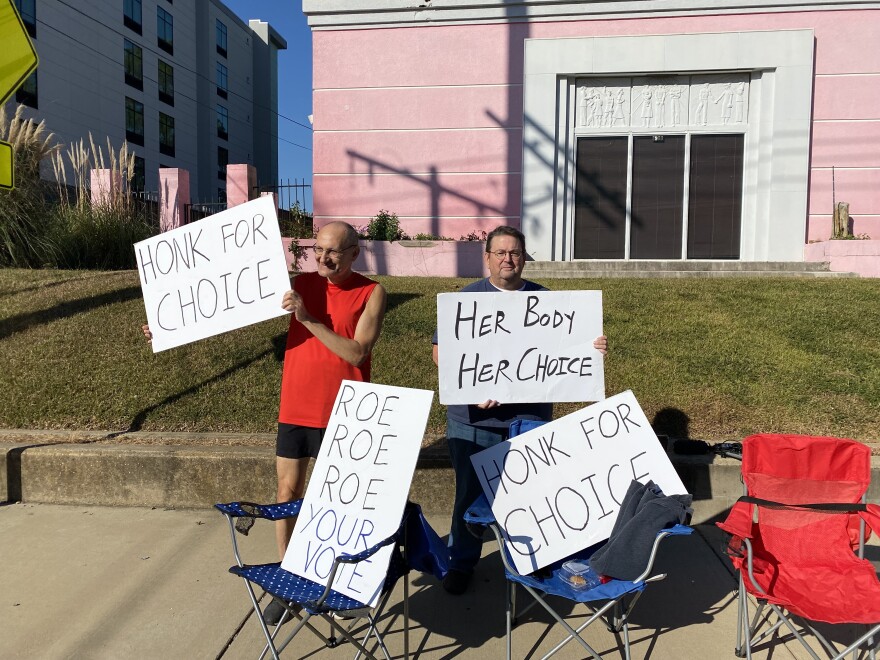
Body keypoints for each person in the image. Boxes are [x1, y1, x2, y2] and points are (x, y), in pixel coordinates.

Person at [144, 221, 387, 622]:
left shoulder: (372, 292)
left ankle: (338, 586)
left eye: (333, 252)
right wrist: (167, 327)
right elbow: (226, 306)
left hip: (345, 412)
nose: (323, 258)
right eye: (317, 249)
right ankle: (292, 578)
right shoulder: (297, 283)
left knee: (338, 503)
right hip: (296, 407)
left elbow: (358, 353)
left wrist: (308, 319)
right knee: (286, 493)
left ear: (354, 254)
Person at [431, 225, 607, 595]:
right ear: (488, 258)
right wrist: (472, 385)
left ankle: (532, 564)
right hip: (472, 421)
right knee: (468, 498)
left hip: (529, 421)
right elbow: (440, 353)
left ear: (524, 258)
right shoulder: (465, 300)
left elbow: (567, 347)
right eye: (501, 253)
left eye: (515, 253)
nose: (508, 259)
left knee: (531, 497)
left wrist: (593, 347)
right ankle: (461, 563)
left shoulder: (547, 301)